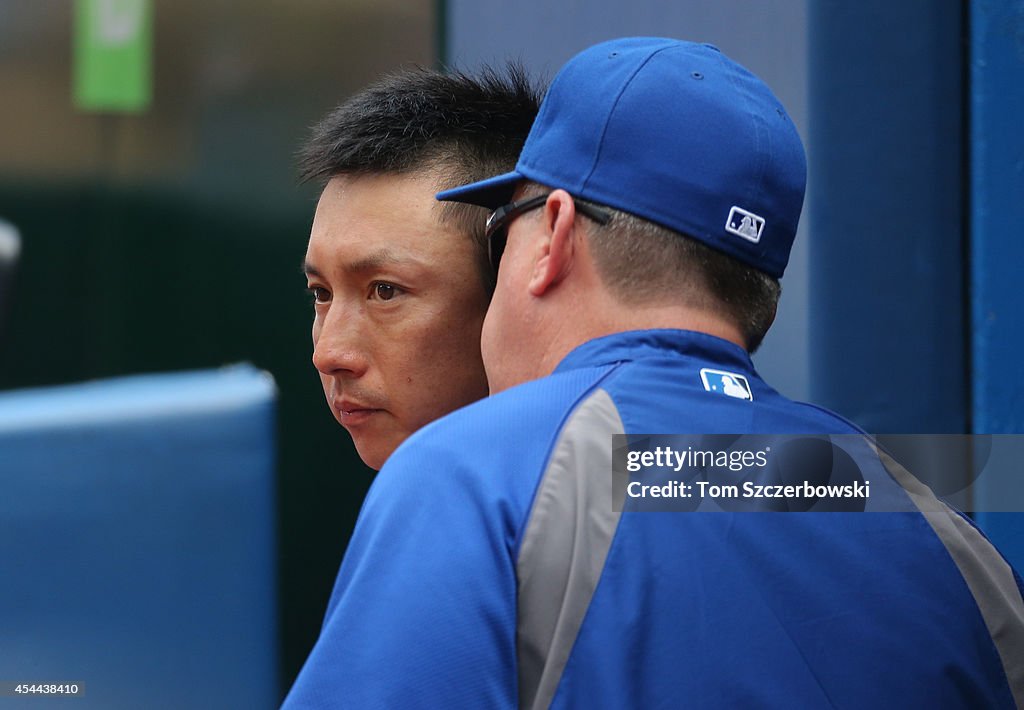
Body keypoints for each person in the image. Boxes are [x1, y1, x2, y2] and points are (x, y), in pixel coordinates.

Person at [284, 38, 1024, 708]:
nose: (330, 348)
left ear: (555, 238)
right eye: (321, 296)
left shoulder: (471, 480)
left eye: (505, 228)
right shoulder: (935, 523)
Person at [299, 66, 541, 469]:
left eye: (385, 291)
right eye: (321, 294)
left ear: (513, 287)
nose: (327, 355)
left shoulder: (653, 470)